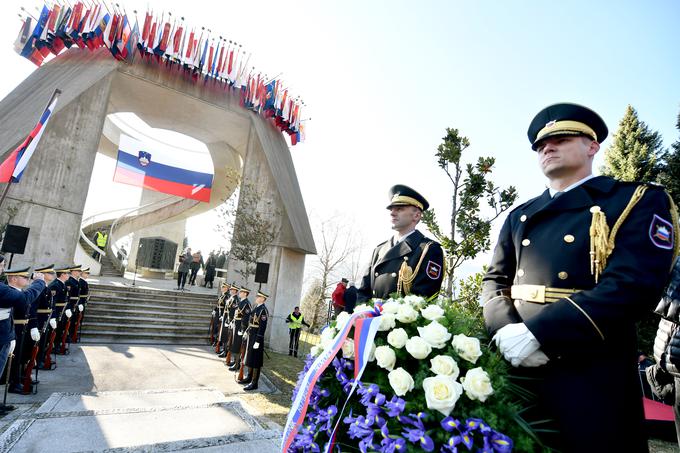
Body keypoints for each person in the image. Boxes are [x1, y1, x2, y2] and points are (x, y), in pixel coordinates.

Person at [482, 103, 676, 452]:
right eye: (540, 145)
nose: (547, 147)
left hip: (591, 373)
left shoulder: (634, 200)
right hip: (518, 367)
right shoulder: (520, 215)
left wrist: (538, 333)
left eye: (560, 138)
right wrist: (505, 331)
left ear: (592, 146)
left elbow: (633, 284)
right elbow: (494, 281)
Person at [357, 185, 444, 303]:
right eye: (391, 209)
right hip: (371, 319)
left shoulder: (428, 249)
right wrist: (363, 315)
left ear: (416, 215)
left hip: (403, 320)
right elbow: (363, 292)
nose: (392, 213)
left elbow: (423, 299)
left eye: (399, 208)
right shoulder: (379, 250)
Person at [0, 263, 45, 402]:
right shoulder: (5, 289)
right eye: (0, 265)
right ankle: (15, 382)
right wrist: (39, 282)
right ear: (13, 278)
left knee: (18, 358)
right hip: (6, 334)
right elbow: (25, 300)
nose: (2, 268)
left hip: (8, 333)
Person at [239, 290, 269, 391]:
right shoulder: (256, 308)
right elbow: (251, 322)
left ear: (263, 299)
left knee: (256, 360)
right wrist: (246, 331)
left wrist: (258, 340)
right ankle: (249, 377)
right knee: (250, 357)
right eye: (257, 296)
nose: (256, 297)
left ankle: (254, 382)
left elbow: (262, 327)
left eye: (258, 296)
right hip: (251, 335)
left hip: (257, 337)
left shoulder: (263, 310)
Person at [227, 287, 252, 371]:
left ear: (245, 293)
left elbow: (246, 318)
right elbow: (236, 314)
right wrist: (232, 322)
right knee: (234, 344)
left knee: (238, 346)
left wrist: (242, 329)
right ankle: (235, 361)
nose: (240, 293)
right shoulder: (241, 301)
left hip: (240, 327)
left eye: (241, 292)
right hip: (236, 324)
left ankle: (237, 364)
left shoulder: (247, 303)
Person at [218, 284, 240, 358]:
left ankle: (226, 351)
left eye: (232, 290)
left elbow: (233, 312)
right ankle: (224, 350)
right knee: (224, 335)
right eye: (230, 289)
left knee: (228, 336)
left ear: (235, 291)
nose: (230, 291)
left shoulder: (235, 299)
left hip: (229, 319)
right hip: (226, 317)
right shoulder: (231, 297)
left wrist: (229, 321)